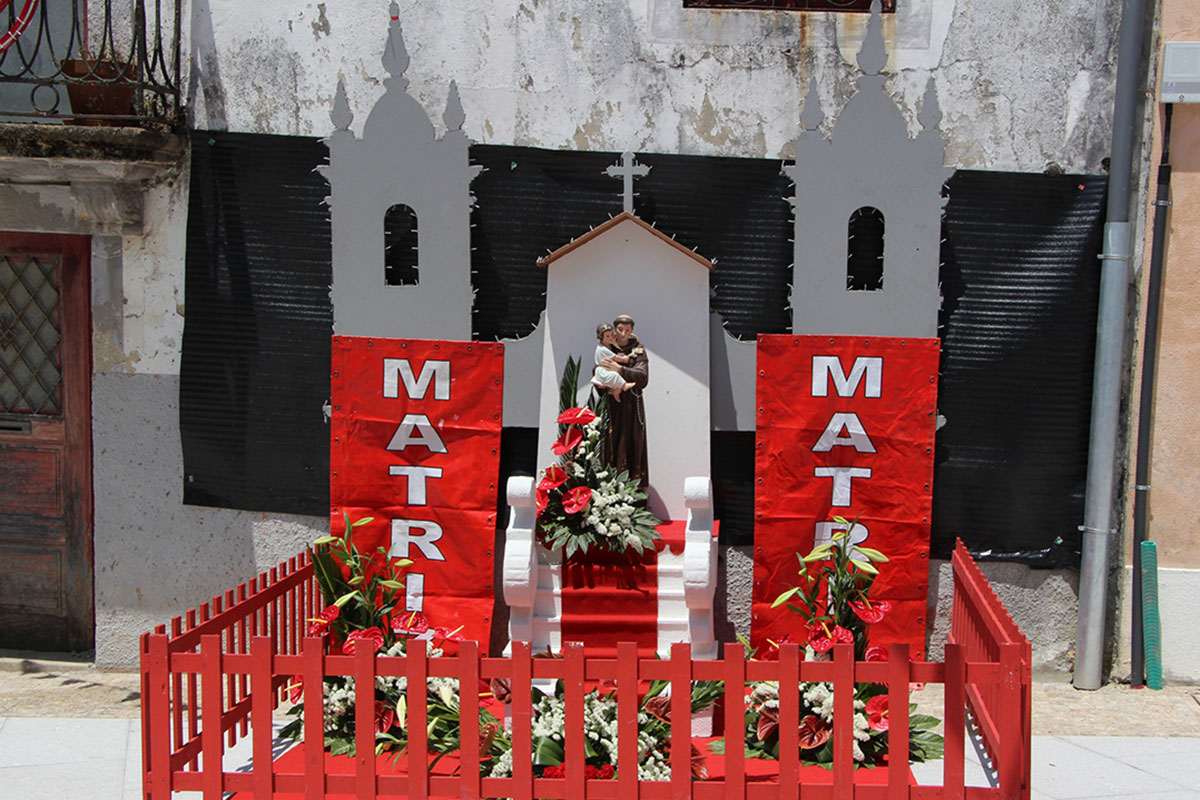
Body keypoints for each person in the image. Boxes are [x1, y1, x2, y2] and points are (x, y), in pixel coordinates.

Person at [600, 314, 649, 490]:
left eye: (627, 330)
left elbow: (642, 377)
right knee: (611, 445)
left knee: (632, 444)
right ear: (615, 330)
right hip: (612, 404)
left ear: (632, 330)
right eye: (620, 329)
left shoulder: (638, 350)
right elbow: (598, 369)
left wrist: (620, 369)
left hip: (632, 406)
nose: (623, 333)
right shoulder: (606, 348)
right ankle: (608, 491)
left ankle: (633, 492)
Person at [591, 322, 636, 402]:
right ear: (601, 337)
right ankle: (624, 386)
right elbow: (616, 358)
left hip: (605, 369)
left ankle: (616, 391)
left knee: (615, 377)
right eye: (607, 336)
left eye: (612, 334)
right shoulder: (603, 349)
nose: (611, 337)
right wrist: (625, 359)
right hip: (603, 371)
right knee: (614, 375)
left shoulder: (608, 345)